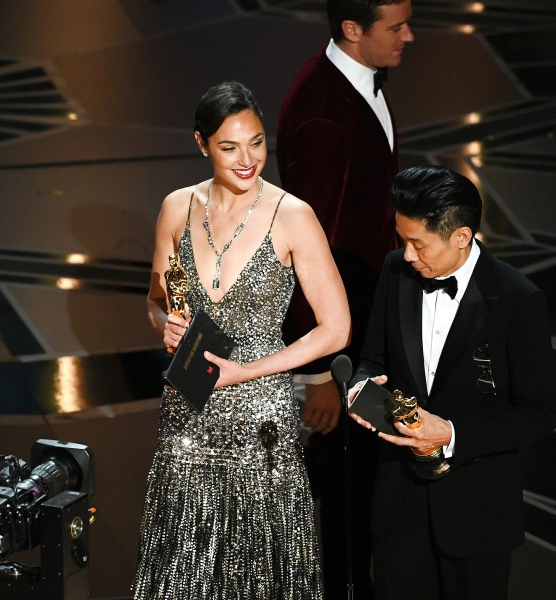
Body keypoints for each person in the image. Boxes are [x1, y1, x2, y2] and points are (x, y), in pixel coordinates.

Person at [132, 81, 350, 599]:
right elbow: (155, 300)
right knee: (183, 566)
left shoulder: (292, 215)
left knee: (257, 572)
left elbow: (336, 328)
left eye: (256, 142)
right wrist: (163, 324)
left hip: (261, 420)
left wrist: (244, 371)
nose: (248, 159)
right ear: (201, 143)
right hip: (187, 412)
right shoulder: (176, 208)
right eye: (230, 147)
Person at [348, 165, 556, 600]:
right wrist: (361, 391)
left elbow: (540, 413)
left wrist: (452, 434)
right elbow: (372, 360)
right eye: (402, 240)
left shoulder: (519, 299)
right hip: (397, 507)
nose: (407, 255)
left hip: (477, 516)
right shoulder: (395, 272)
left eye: (418, 243)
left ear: (461, 236)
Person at [275, 1, 414, 596]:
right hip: (343, 348)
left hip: (368, 324)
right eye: (397, 26)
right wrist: (320, 374)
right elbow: (309, 252)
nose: (411, 36)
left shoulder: (352, 81)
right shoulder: (325, 119)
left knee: (366, 486)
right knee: (346, 497)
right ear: (352, 31)